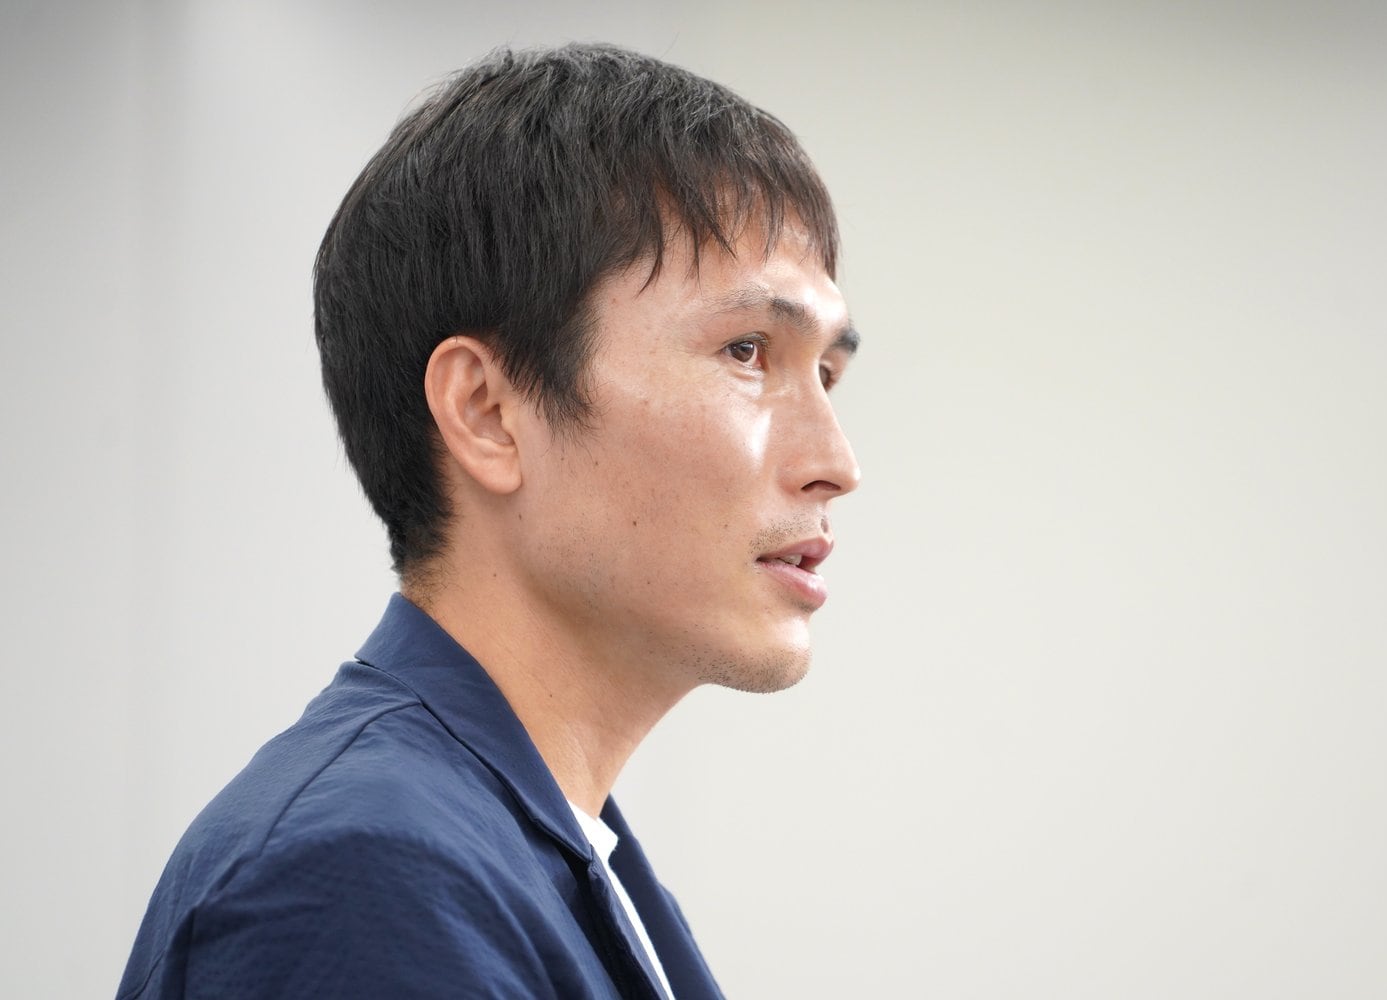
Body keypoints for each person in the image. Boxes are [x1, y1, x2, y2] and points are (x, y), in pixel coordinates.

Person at [117, 42, 859, 1000]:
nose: (837, 464)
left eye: (827, 373)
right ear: (487, 413)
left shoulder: (553, 854)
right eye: (748, 351)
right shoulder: (365, 875)